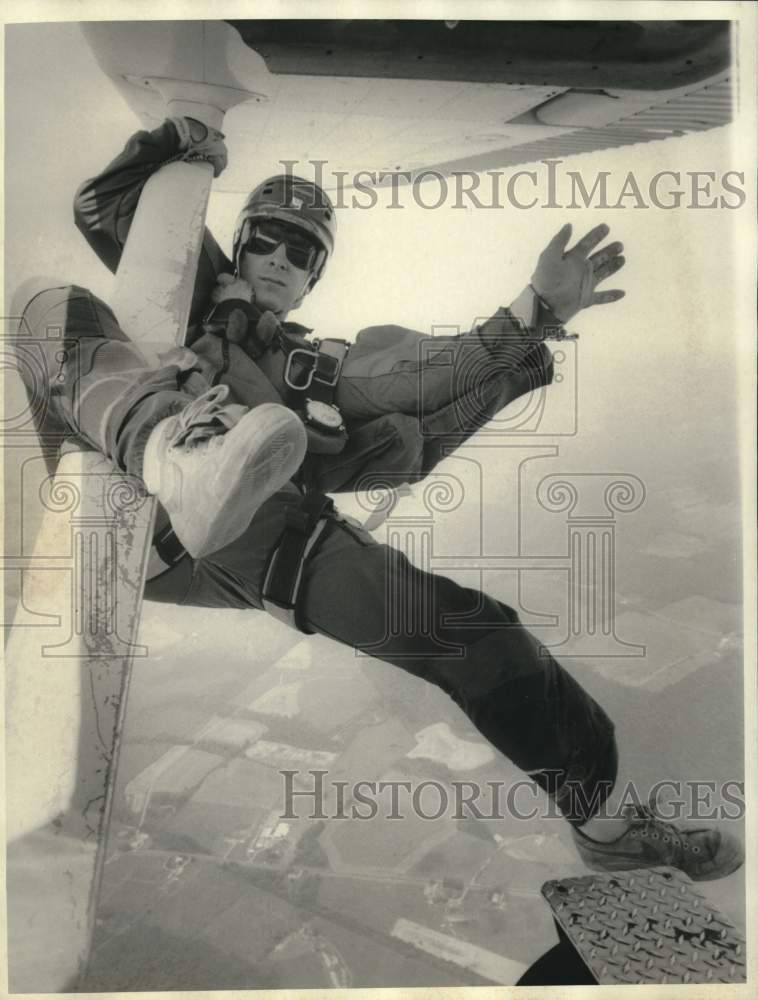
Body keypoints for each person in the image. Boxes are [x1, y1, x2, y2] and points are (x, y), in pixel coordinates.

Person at [16, 115, 743, 881]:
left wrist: (535, 318)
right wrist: (182, 136)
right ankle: (170, 449)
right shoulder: (195, 291)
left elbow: (412, 392)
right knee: (47, 303)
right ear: (243, 242)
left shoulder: (306, 366)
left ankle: (606, 827)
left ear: (312, 280)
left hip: (251, 538)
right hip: (122, 487)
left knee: (479, 634)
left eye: (304, 256)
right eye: (269, 238)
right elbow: (105, 207)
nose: (283, 260)